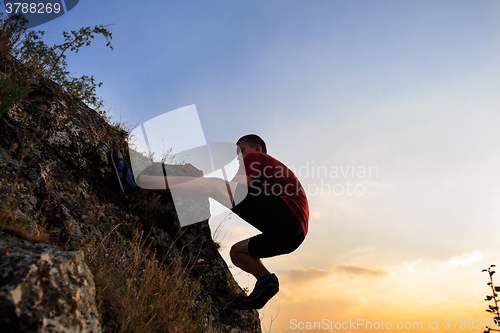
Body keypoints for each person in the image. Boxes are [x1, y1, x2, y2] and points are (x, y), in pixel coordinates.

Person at [110, 134, 309, 309]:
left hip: (287, 216)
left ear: (256, 149)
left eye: (241, 151)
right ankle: (266, 279)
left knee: (214, 185)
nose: (238, 157)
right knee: (237, 252)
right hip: (292, 236)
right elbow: (230, 192)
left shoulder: (257, 157)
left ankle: (135, 183)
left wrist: (201, 178)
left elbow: (229, 188)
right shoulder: (265, 178)